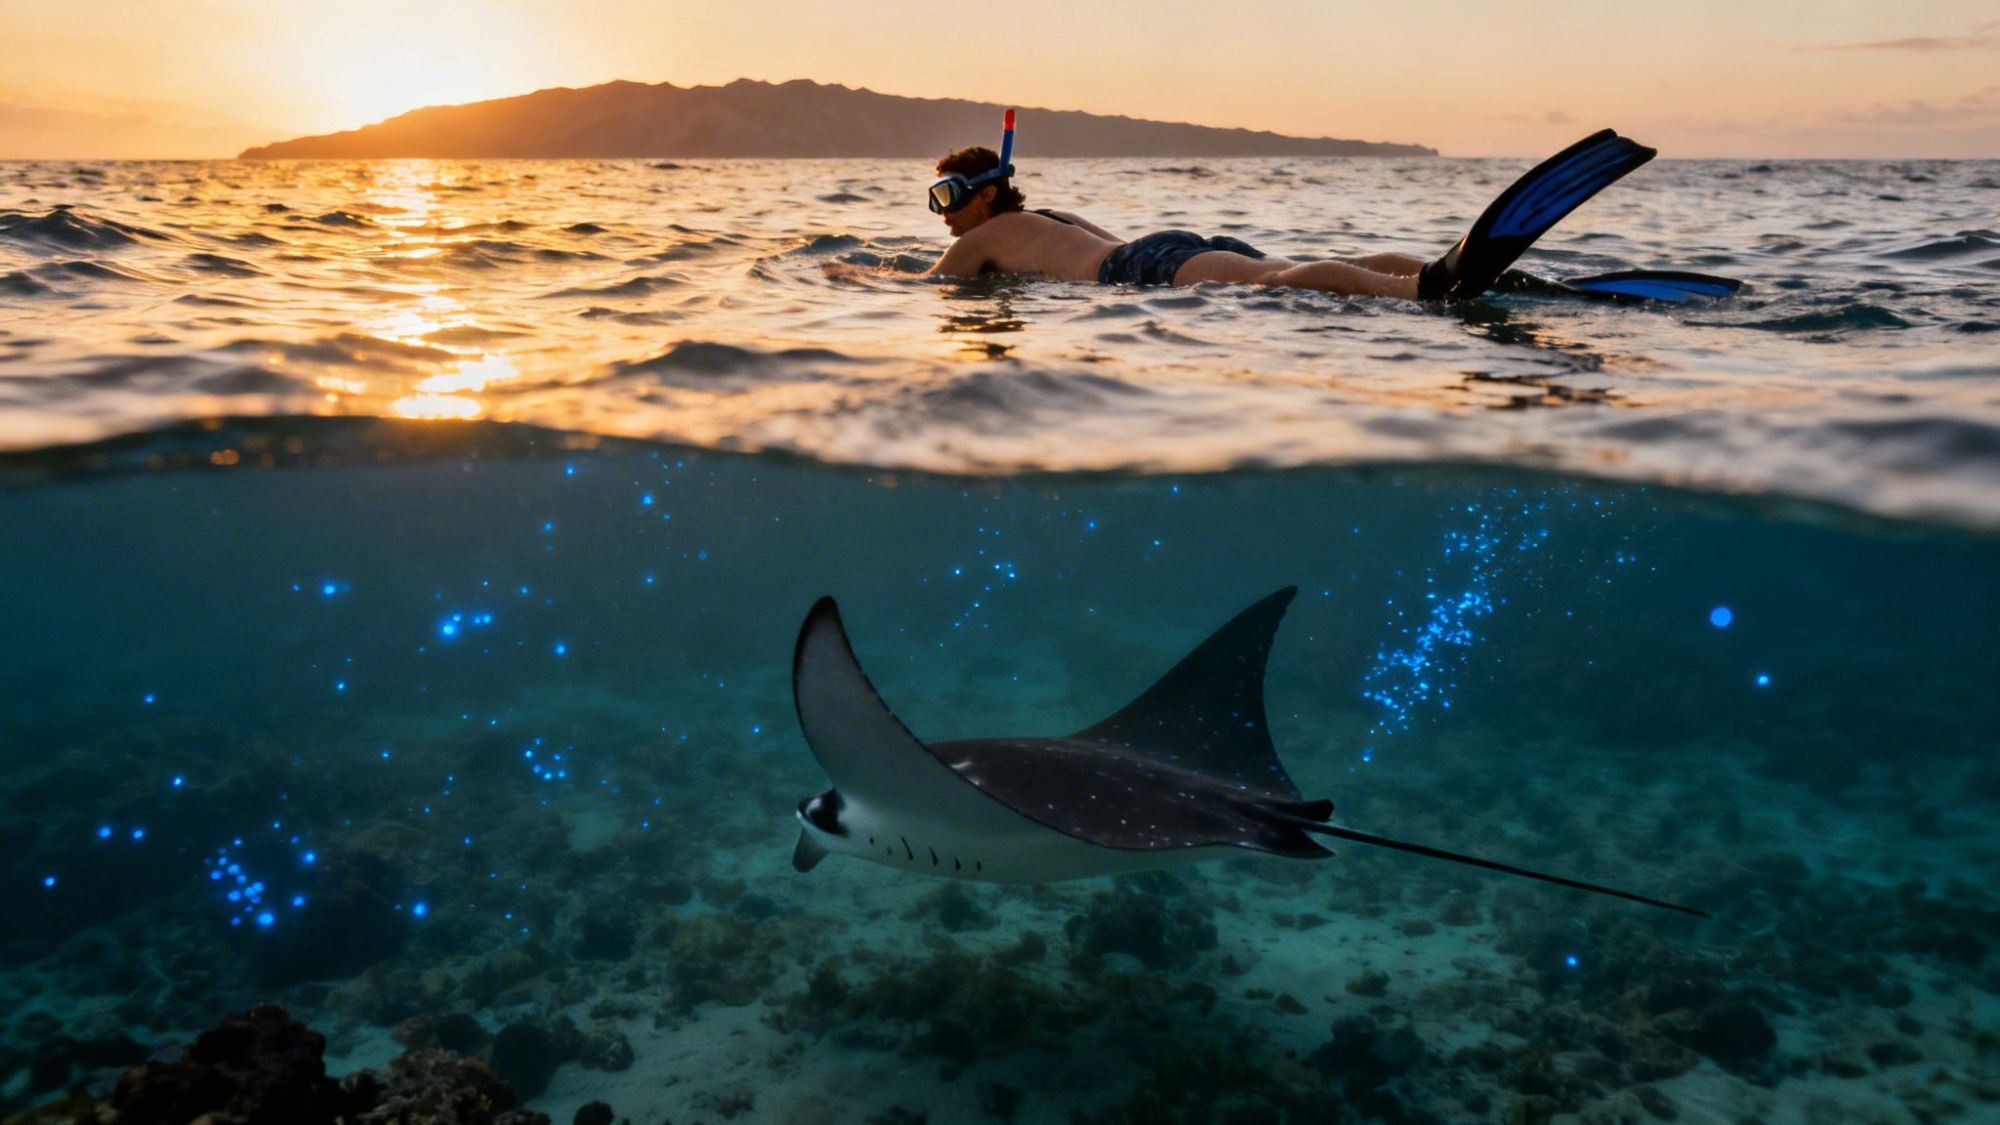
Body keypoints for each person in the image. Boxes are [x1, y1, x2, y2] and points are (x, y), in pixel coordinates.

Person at [845, 126, 1661, 302]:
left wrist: (845, 274)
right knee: (1279, 270)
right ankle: (1432, 273)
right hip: (1163, 248)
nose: (943, 215)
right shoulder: (1041, 216)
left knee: (1285, 280)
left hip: (1148, 267)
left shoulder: (983, 239)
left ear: (985, 193)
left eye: (948, 196)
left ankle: (1429, 287)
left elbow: (927, 287)